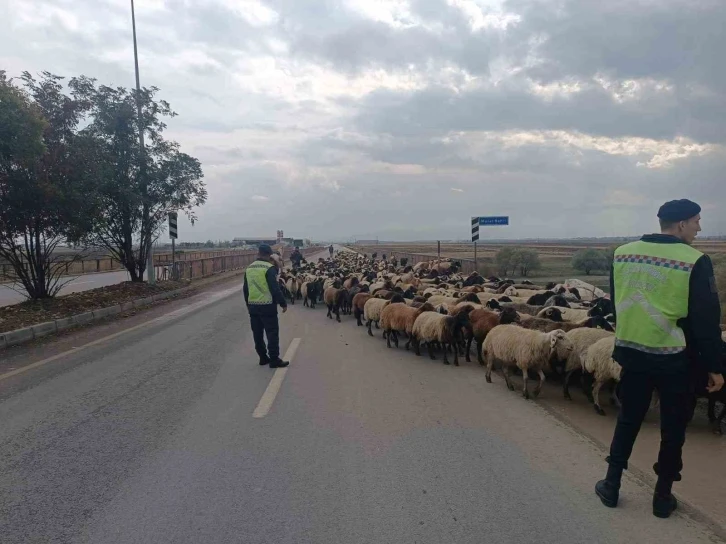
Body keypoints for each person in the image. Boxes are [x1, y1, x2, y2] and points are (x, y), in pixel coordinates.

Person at [595, 199, 724, 518]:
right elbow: (706, 320)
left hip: (633, 352)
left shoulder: (622, 253)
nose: (699, 227)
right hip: (674, 359)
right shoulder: (695, 261)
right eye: (696, 221)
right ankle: (662, 496)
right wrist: (715, 367)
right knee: (673, 426)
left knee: (628, 418)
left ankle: (611, 485)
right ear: (680, 224)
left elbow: (617, 299)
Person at [243, 244, 289, 368]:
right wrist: (283, 303)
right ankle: (274, 359)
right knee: (272, 332)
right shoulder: (269, 268)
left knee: (257, 334)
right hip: (267, 306)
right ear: (269, 255)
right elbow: (275, 288)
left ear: (258, 253)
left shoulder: (249, 268)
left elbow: (246, 289)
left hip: (253, 306)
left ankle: (263, 357)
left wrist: (248, 305)